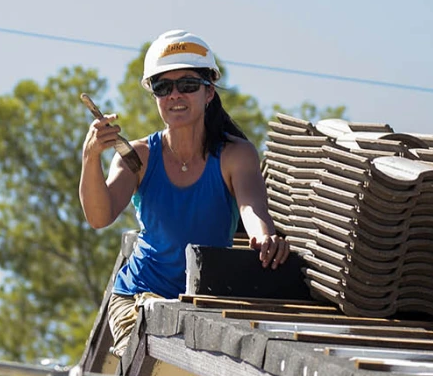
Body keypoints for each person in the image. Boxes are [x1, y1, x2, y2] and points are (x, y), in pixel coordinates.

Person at [80, 29, 289, 356]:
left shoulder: (235, 155)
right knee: (161, 339)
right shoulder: (138, 158)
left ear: (208, 93)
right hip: (140, 297)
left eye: (188, 85)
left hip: (203, 299)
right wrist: (91, 157)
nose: (176, 95)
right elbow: (99, 216)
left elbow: (253, 209)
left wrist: (264, 237)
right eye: (164, 87)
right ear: (155, 96)